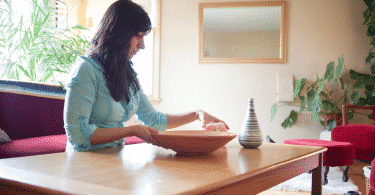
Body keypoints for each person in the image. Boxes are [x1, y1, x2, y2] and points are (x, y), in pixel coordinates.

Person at [63, 0, 229, 152]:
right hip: (83, 161)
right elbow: (78, 135)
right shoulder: (85, 70)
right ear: (120, 33)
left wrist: (197, 114)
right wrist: (131, 130)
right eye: (139, 36)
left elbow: (153, 118)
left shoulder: (128, 74)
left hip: (113, 156)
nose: (142, 45)